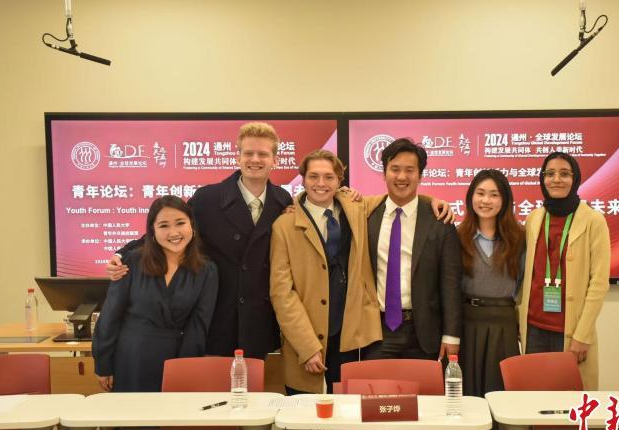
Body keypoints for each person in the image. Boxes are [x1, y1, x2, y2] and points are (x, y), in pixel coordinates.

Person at [106, 122, 292, 359]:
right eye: (248, 153)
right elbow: (171, 230)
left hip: (259, 320)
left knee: (253, 382)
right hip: (218, 317)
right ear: (238, 157)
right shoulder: (208, 198)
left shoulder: (283, 200)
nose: (255, 159)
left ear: (275, 160)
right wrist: (122, 254)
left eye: (263, 154)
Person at [92, 195, 218, 430]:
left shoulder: (207, 270)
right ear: (152, 230)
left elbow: (199, 324)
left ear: (192, 225)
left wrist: (184, 369)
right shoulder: (132, 262)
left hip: (177, 356)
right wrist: (103, 362)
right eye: (163, 225)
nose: (173, 232)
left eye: (180, 223)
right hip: (132, 358)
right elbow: (111, 314)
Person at [270, 149, 381, 395]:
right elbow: (282, 294)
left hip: (348, 336)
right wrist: (306, 346)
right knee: (302, 411)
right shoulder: (284, 226)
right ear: (303, 179)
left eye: (329, 177)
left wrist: (433, 202)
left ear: (339, 181)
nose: (321, 183)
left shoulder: (355, 208)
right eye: (313, 176)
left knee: (346, 409)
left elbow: (397, 197)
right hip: (307, 334)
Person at [364, 138, 463, 361]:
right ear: (384, 173)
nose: (402, 177)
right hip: (377, 332)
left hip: (424, 332)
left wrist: (451, 335)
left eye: (410, 170)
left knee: (424, 386)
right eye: (395, 169)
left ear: (420, 175)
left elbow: (450, 282)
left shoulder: (439, 220)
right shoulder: (367, 215)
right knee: (376, 385)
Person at [518, 151, 610, 390]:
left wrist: (583, 335)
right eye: (549, 174)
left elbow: (599, 283)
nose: (556, 179)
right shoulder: (534, 218)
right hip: (534, 328)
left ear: (575, 178)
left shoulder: (593, 220)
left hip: (571, 331)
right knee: (533, 399)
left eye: (564, 174)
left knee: (570, 401)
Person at [456, 169, 524, 430]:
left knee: (500, 396)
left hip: (504, 325)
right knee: (467, 398)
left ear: (505, 200)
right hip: (467, 325)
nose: (486, 200)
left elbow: (524, 283)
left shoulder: (519, 238)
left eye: (494, 195)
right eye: (480, 193)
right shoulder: (456, 236)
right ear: (470, 197)